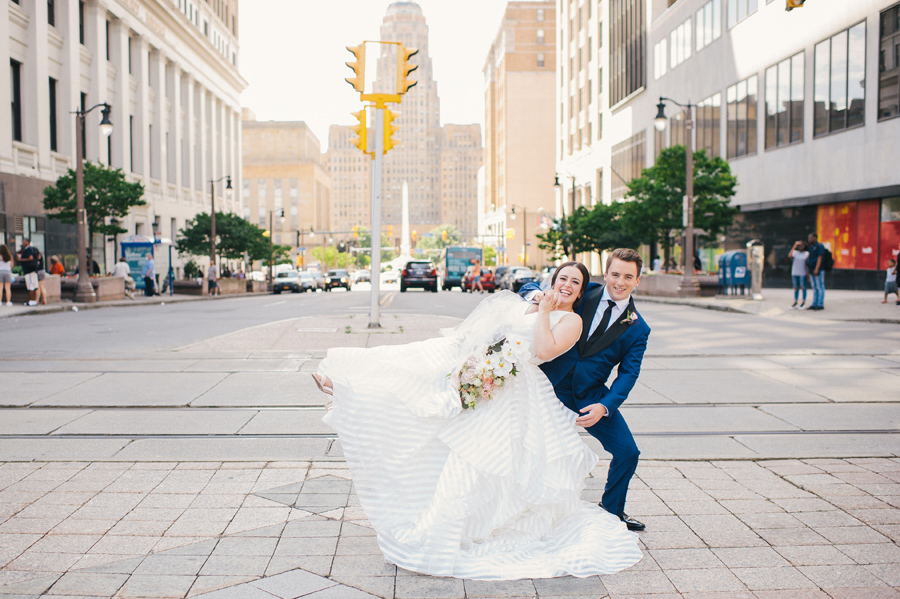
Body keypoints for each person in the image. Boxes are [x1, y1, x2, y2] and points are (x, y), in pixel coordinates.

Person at [312, 262, 642, 580]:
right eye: (563, 279)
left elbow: (546, 349)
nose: (567, 286)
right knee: (421, 369)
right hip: (491, 376)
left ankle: (476, 524)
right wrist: (482, 356)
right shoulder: (539, 298)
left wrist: (543, 314)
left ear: (584, 291)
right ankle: (344, 385)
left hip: (530, 391)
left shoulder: (581, 320)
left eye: (575, 283)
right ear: (554, 280)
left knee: (481, 456)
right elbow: (517, 302)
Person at [520, 248, 650, 534]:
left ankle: (612, 511)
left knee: (628, 452)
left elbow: (629, 373)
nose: (620, 282)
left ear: (638, 280)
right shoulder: (583, 289)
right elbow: (532, 286)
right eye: (615, 274)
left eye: (628, 277)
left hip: (590, 395)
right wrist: (536, 296)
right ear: (606, 274)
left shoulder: (638, 327)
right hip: (545, 385)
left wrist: (605, 406)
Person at [16, 238, 41, 306]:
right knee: (33, 286)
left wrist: (21, 259)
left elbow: (30, 258)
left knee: (31, 286)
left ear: (27, 242)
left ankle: (32, 300)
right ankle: (33, 301)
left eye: (24, 241)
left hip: (29, 270)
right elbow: (38, 257)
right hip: (32, 270)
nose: (23, 243)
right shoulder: (32, 249)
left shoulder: (29, 249)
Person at [806, 233, 825, 310]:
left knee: (819, 286)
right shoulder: (812, 247)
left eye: (810, 238)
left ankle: (820, 304)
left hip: (818, 270)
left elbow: (820, 258)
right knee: (814, 287)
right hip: (811, 270)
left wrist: (817, 269)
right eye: (808, 238)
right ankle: (814, 304)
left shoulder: (819, 246)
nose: (809, 239)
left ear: (815, 238)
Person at [789, 241, 809, 309]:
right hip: (795, 272)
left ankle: (803, 302)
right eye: (799, 246)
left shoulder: (806, 253)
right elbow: (790, 255)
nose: (800, 247)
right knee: (796, 288)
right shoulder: (795, 252)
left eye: (802, 246)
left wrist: (808, 274)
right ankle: (795, 301)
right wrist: (794, 246)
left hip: (803, 273)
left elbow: (807, 265)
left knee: (803, 287)